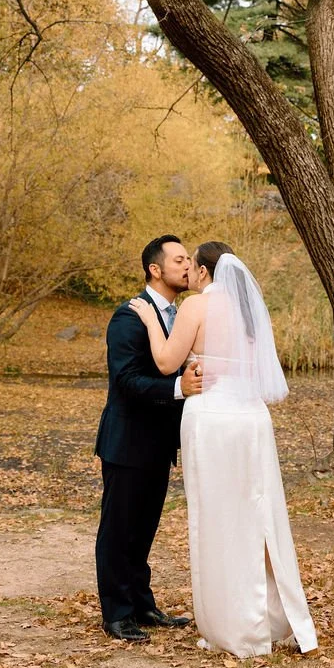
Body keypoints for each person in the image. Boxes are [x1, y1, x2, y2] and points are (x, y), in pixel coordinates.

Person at [129, 241, 317, 659]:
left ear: (204, 271)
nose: (190, 273)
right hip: (252, 421)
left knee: (218, 517)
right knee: (258, 513)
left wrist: (148, 319)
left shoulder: (197, 306)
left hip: (213, 419)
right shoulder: (250, 310)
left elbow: (164, 362)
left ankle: (234, 626)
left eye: (193, 265)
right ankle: (272, 619)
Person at [95, 234, 203, 643]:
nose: (187, 265)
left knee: (143, 531)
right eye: (179, 260)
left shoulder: (179, 315)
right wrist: (180, 389)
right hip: (126, 443)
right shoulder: (127, 317)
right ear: (155, 269)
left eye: (189, 259)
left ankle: (142, 604)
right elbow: (126, 380)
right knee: (118, 530)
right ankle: (117, 614)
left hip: (159, 446)